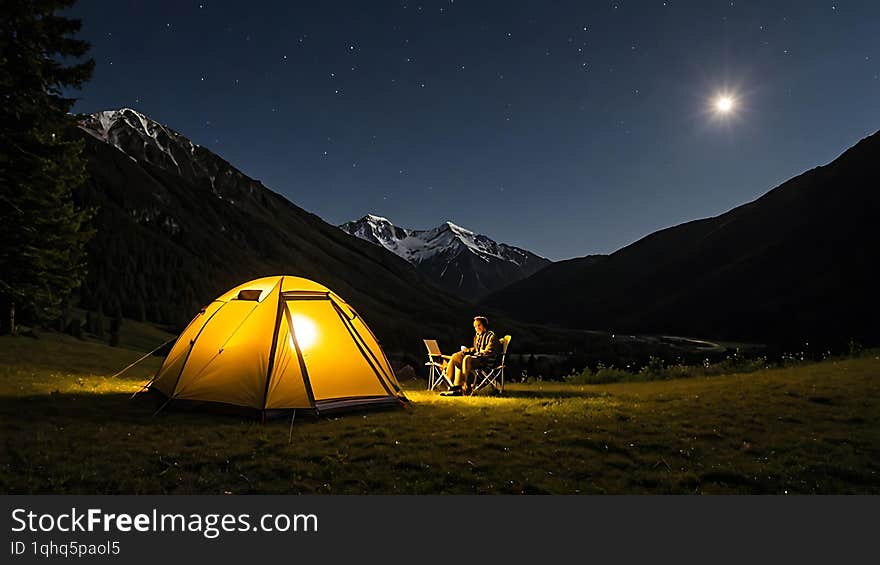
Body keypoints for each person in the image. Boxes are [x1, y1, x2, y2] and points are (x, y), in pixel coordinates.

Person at [440, 316, 499, 396]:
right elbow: (476, 349)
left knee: (467, 358)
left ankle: (465, 387)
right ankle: (452, 386)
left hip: (485, 361)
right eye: (475, 326)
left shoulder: (491, 336)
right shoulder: (477, 336)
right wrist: (467, 350)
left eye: (479, 325)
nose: (477, 328)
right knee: (456, 356)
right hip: (477, 358)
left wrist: (477, 353)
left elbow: (488, 352)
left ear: (484, 325)